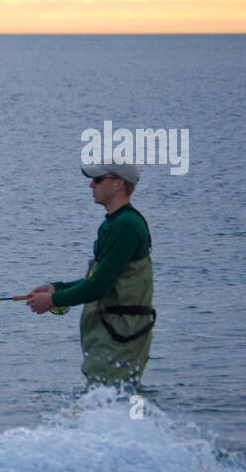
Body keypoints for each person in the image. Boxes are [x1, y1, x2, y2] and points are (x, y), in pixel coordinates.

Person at [26, 162, 155, 388]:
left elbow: (99, 287)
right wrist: (57, 288)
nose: (90, 185)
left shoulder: (126, 225)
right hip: (111, 330)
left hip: (121, 333)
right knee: (105, 398)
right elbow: (102, 279)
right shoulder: (115, 223)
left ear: (118, 184)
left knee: (105, 398)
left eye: (97, 180)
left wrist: (53, 301)